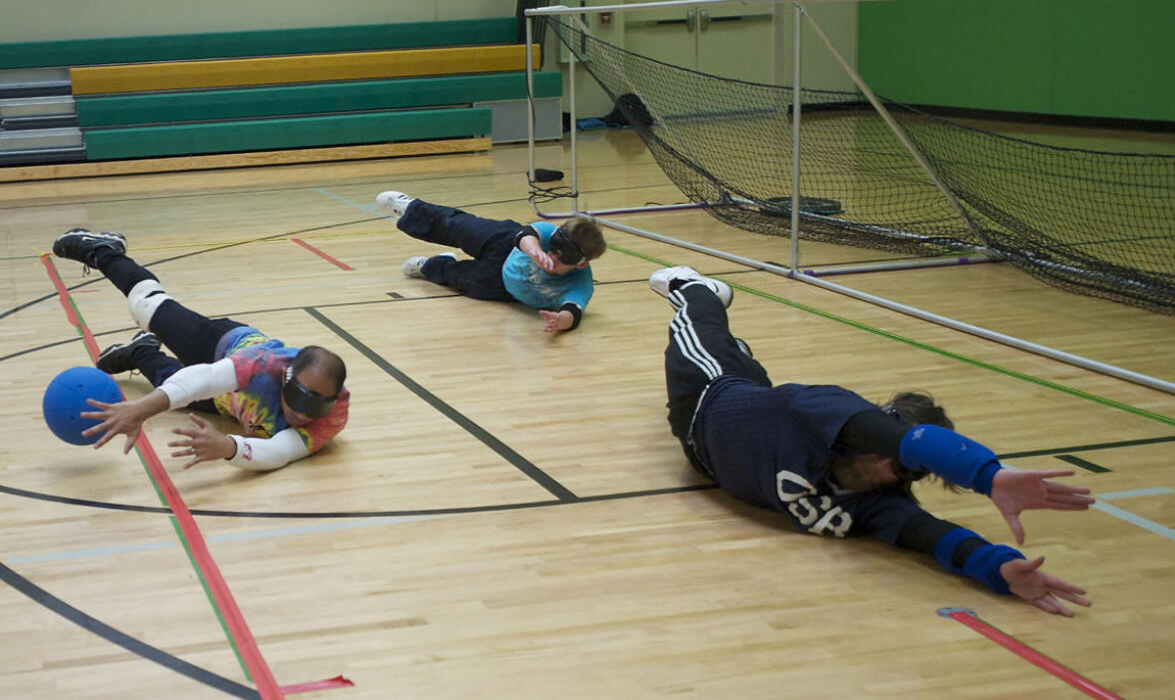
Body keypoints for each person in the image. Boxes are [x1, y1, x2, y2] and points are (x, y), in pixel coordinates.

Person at [651, 265, 1095, 617]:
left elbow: (934, 536)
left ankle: (737, 347)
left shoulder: (874, 503)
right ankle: (695, 285)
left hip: (703, 448)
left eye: (903, 474)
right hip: (711, 389)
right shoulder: (831, 412)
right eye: (893, 456)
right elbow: (908, 441)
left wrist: (999, 568)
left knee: (743, 361)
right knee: (696, 326)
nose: (887, 471)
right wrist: (989, 476)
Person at [51, 228, 350, 471]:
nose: (301, 412)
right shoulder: (263, 363)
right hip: (222, 346)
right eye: (297, 397)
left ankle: (140, 350)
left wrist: (228, 447)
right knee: (146, 306)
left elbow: (280, 451)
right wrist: (141, 410)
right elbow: (206, 378)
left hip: (228, 406)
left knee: (167, 382)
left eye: (315, 406)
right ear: (285, 376)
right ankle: (103, 251)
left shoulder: (332, 417)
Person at [375, 191, 606, 333]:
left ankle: (430, 266)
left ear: (581, 264)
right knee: (460, 226)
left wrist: (560, 321)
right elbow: (524, 235)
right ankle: (410, 208)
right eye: (553, 248)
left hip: (500, 284)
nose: (553, 256)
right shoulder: (545, 236)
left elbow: (572, 313)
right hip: (504, 241)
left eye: (562, 257)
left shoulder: (580, 285)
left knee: (458, 277)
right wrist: (536, 252)